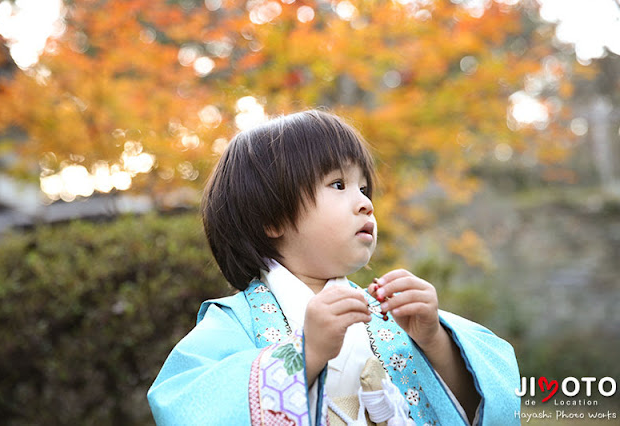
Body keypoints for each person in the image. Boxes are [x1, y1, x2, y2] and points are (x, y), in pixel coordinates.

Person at [147, 110, 520, 425]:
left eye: (364, 188)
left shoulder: (387, 316)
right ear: (273, 219)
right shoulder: (234, 324)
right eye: (339, 184)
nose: (364, 203)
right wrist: (305, 354)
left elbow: (482, 407)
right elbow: (188, 407)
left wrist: (434, 339)